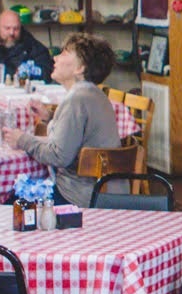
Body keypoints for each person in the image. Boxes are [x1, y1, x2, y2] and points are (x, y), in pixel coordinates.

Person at [8, 33, 122, 206]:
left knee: (9, 200)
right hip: (106, 191)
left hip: (79, 196)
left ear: (80, 68)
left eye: (64, 53)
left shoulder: (76, 100)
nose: (55, 57)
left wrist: (22, 139)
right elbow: (75, 137)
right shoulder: (94, 94)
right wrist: (49, 118)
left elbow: (58, 156)